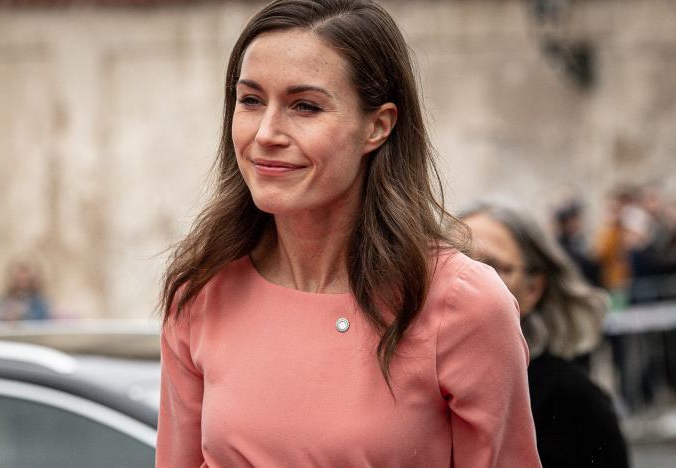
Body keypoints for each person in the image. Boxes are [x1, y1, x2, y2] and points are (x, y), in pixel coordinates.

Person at [157, 1, 540, 466]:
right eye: (251, 100)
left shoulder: (461, 304)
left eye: (305, 106)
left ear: (377, 126)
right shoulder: (202, 290)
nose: (266, 133)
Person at [460, 201, 629, 468]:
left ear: (533, 289)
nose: (466, 281)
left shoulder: (576, 403)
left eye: (491, 267)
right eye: (457, 264)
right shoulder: (418, 386)